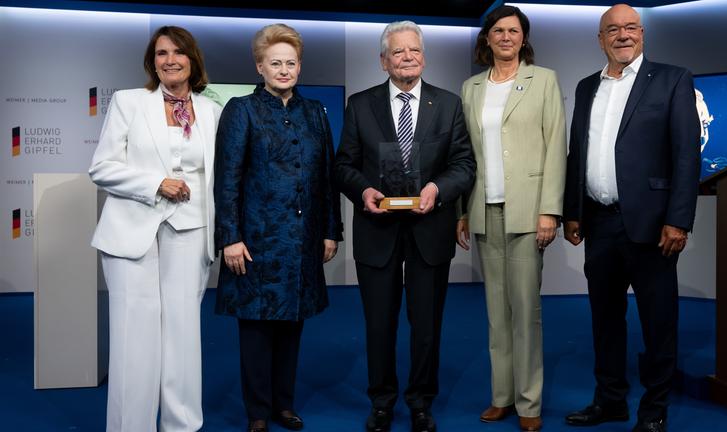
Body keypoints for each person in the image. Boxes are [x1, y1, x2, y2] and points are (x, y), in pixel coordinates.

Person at [562, 4, 700, 432]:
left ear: (642, 34)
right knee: (605, 320)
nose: (623, 35)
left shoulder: (673, 79)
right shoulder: (587, 87)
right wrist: (572, 212)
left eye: (631, 28)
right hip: (599, 223)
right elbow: (577, 154)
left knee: (659, 323)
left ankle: (654, 410)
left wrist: (679, 220)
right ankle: (610, 401)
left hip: (654, 225)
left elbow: (685, 154)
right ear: (600, 39)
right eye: (612, 30)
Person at [333, 20, 476, 432]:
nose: (408, 57)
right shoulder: (361, 105)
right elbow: (343, 165)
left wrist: (436, 188)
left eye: (414, 50)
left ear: (424, 57)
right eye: (398, 52)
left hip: (430, 229)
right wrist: (363, 192)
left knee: (427, 325)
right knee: (379, 325)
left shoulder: (448, 105)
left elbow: (464, 165)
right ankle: (381, 402)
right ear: (383, 61)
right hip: (376, 231)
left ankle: (420, 401)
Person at [89, 26, 221, 431]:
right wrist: (154, 184)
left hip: (191, 230)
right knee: (134, 339)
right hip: (132, 232)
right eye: (161, 53)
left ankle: (182, 425)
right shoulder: (130, 103)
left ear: (192, 59)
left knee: (183, 337)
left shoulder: (212, 110)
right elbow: (102, 168)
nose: (169, 60)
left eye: (178, 52)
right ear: (153, 62)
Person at [213, 23, 343, 432]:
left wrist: (330, 230)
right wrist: (230, 237)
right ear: (260, 66)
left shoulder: (313, 113)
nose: (283, 70)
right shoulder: (241, 110)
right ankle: (257, 412)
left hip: (301, 242)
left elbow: (326, 176)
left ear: (299, 67)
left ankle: (283, 405)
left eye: (290, 63)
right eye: (275, 63)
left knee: (291, 324)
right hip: (254, 242)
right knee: (255, 328)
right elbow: (227, 178)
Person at [456, 5, 566, 432]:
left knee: (526, 311)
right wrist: (463, 212)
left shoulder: (544, 80)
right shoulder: (471, 87)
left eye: (513, 31)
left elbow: (556, 144)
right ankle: (501, 396)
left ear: (524, 38)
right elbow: (465, 156)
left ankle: (529, 402)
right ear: (487, 38)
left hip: (527, 211)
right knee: (495, 314)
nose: (505, 37)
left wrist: (549, 210)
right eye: (498, 31)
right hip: (484, 210)